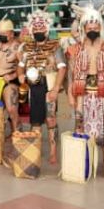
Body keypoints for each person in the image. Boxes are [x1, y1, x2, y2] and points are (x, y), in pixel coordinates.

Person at [66, 2, 104, 147]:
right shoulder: (74, 49)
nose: (92, 30)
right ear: (84, 28)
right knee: (80, 121)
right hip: (81, 89)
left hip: (103, 88)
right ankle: (84, 160)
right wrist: (70, 95)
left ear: (100, 28)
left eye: (95, 28)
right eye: (89, 28)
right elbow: (70, 74)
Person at [18, 10, 66, 164]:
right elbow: (20, 66)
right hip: (33, 87)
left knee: (51, 118)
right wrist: (20, 75)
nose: (39, 31)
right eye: (36, 29)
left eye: (41, 29)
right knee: (35, 121)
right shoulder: (27, 47)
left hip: (49, 84)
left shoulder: (54, 45)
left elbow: (62, 68)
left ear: (46, 30)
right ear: (32, 31)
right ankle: (35, 150)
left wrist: (55, 88)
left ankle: (53, 152)